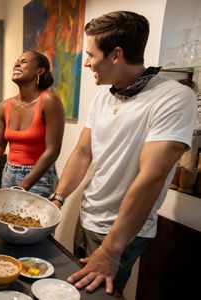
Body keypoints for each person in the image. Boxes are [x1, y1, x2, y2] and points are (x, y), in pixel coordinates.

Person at [48, 11, 197, 295]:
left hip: (121, 232)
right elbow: (82, 153)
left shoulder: (174, 97)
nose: (88, 62)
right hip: (88, 216)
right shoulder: (104, 94)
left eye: (91, 54)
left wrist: (111, 250)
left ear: (116, 54)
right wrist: (57, 199)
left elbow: (151, 178)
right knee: (74, 291)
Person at [0, 50, 65, 197]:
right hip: (9, 173)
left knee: (32, 220)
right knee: (7, 220)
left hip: (38, 177)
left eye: (24, 61)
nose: (17, 63)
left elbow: (52, 151)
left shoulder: (49, 101)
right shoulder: (5, 106)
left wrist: (25, 183)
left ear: (40, 71)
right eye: (17, 61)